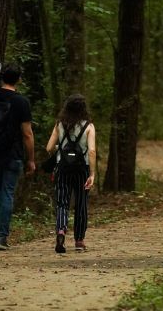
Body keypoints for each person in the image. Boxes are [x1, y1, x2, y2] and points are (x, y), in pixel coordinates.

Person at [0, 63, 36, 250]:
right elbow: (27, 134)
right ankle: (3, 237)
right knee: (7, 192)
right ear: (18, 79)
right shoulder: (21, 102)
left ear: (2, 77)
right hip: (13, 153)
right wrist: (31, 159)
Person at [45, 94, 96, 253]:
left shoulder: (60, 124)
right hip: (82, 169)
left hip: (63, 168)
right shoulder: (89, 126)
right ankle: (79, 240)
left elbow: (48, 148)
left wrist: (61, 152)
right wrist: (92, 174)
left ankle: (61, 230)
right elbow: (92, 151)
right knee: (81, 204)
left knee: (62, 202)